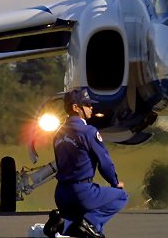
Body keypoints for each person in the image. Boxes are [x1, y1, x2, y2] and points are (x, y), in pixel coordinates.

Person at [47, 88, 128, 238]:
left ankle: (61, 223)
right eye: (86, 104)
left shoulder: (58, 134)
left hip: (61, 194)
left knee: (75, 226)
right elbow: (105, 163)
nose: (91, 108)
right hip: (82, 192)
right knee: (121, 196)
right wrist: (115, 183)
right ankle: (89, 223)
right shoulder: (88, 132)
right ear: (76, 107)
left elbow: (59, 163)